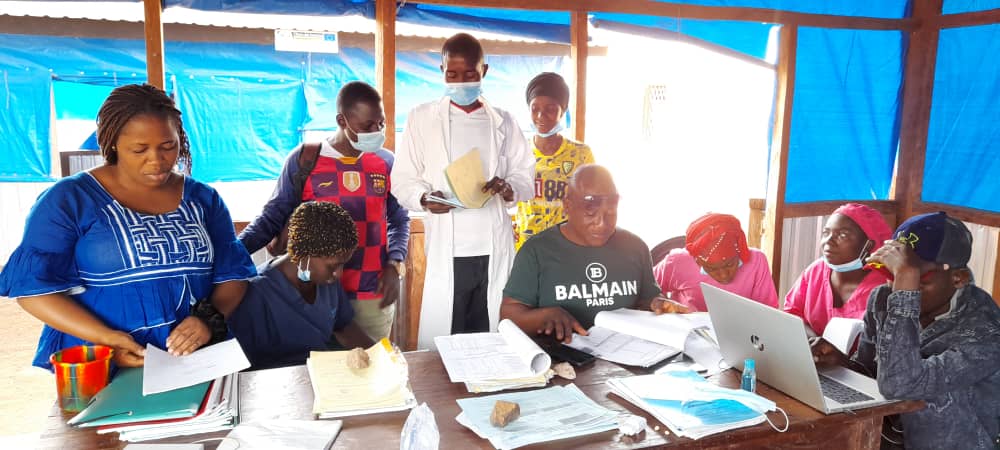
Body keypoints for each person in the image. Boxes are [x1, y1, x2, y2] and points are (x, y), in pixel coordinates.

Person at [0, 84, 256, 370]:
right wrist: (107, 338)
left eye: (168, 146)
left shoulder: (203, 199)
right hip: (103, 361)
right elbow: (34, 292)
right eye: (139, 149)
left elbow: (233, 275)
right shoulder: (69, 199)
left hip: (196, 361)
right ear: (113, 144)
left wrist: (208, 319)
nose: (156, 160)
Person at [391, 33, 535, 348]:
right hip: (449, 248)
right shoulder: (422, 118)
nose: (461, 82)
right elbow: (402, 179)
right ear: (441, 70)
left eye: (470, 74)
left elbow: (525, 174)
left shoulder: (503, 121)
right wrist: (425, 199)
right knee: (449, 338)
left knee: (490, 334)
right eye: (452, 74)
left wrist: (508, 188)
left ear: (484, 71)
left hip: (491, 247)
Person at [811, 212, 1000, 450]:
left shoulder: (986, 332)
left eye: (912, 276)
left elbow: (900, 385)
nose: (896, 286)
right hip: (891, 438)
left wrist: (905, 296)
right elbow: (875, 376)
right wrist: (843, 363)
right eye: (892, 273)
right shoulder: (882, 299)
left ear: (958, 278)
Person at [239, 81, 409, 342]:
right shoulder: (305, 159)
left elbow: (399, 219)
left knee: (370, 361)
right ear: (342, 120)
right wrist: (232, 255)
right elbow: (271, 219)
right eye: (367, 126)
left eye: (381, 123)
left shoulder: (386, 162)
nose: (376, 131)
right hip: (315, 295)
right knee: (315, 361)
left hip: (371, 293)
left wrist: (394, 264)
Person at [501, 165, 688, 343]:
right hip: (561, 357)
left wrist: (658, 304)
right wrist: (543, 316)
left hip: (629, 355)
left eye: (610, 213)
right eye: (590, 212)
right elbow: (508, 316)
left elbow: (647, 300)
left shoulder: (635, 247)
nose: (601, 223)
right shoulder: (537, 251)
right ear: (567, 205)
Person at [229, 202, 375, 370]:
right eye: (333, 266)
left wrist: (381, 355)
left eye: (343, 264)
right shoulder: (256, 295)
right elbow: (244, 368)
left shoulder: (327, 283)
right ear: (303, 254)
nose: (339, 274)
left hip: (321, 374)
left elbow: (344, 327)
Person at [784, 203, 892, 336]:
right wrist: (814, 341)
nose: (828, 241)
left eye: (842, 235)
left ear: (869, 244)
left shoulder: (885, 285)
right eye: (826, 233)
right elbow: (792, 314)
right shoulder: (816, 271)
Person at [514, 72, 595, 250]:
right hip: (527, 248)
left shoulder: (581, 155)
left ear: (563, 110)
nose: (541, 116)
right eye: (535, 108)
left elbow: (592, 203)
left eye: (550, 109)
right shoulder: (519, 151)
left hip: (567, 248)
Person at [653, 213, 778, 312]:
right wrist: (660, 301)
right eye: (711, 269)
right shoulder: (678, 262)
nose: (724, 275)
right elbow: (647, 292)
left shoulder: (757, 261)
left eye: (730, 264)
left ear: (740, 251)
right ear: (698, 261)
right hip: (687, 333)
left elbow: (768, 312)